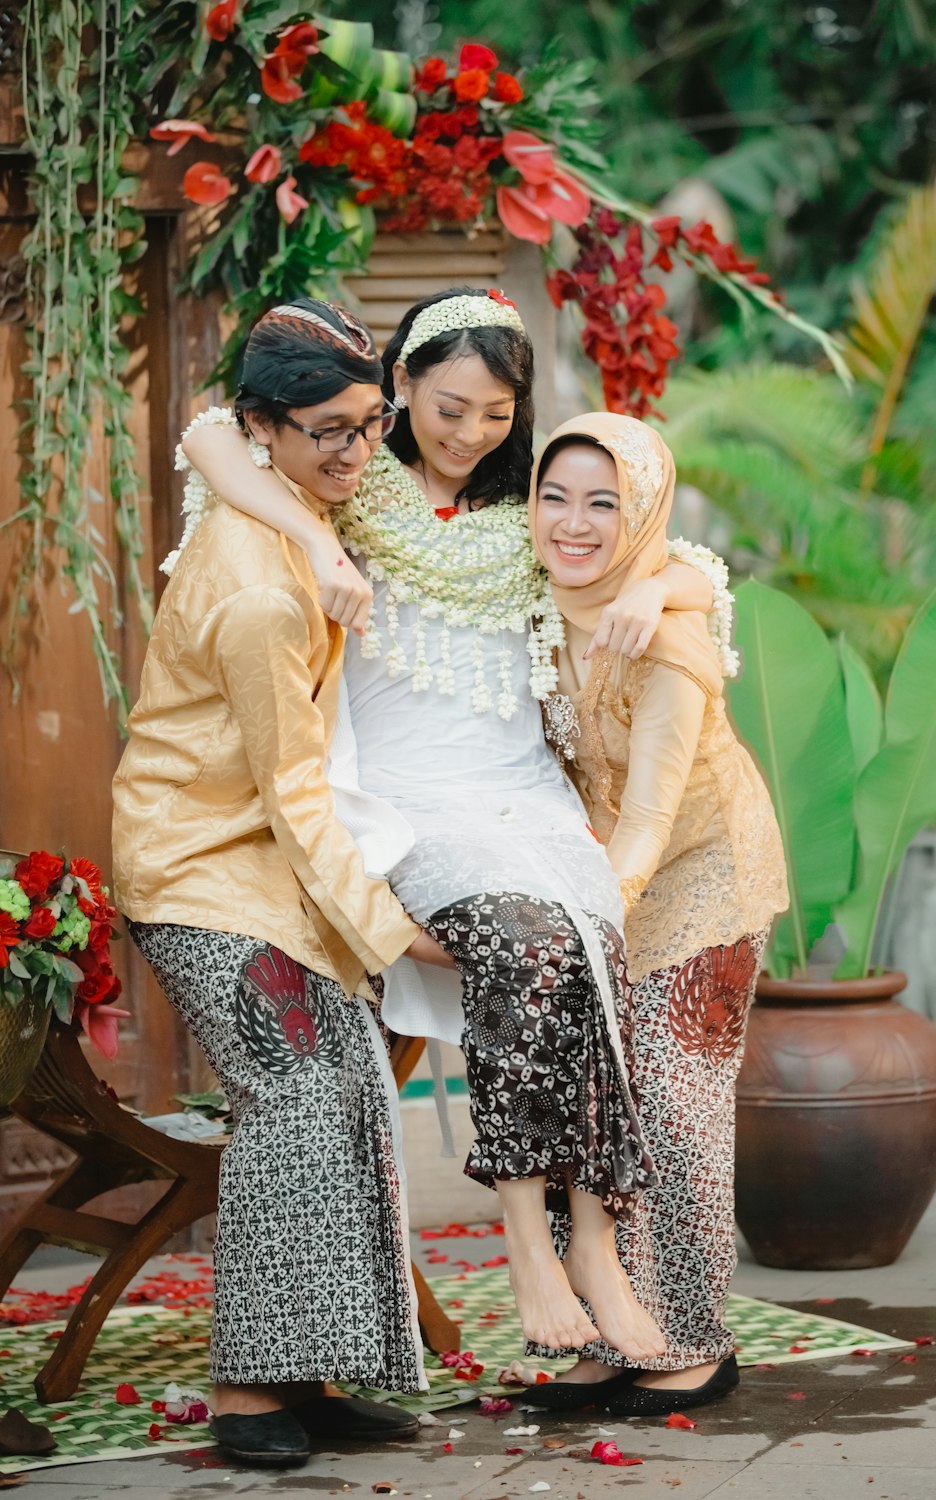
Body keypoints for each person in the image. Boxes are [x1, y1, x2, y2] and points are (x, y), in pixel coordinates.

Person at [177, 287, 718, 1364]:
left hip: (525, 793)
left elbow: (679, 560)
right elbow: (206, 437)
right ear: (402, 389)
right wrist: (318, 547)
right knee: (523, 944)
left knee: (587, 952)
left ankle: (597, 1251)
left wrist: (657, 594)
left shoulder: (531, 515)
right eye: (448, 405)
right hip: (404, 803)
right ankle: (527, 1239)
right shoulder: (343, 488)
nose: (471, 431)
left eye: (495, 412)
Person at [112, 300, 455, 1470]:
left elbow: (214, 434)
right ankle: (250, 1393)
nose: (358, 454)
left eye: (371, 426)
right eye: (329, 433)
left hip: (264, 866)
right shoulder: (262, 587)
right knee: (298, 1094)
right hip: (201, 870)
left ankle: (312, 1374)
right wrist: (389, 929)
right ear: (266, 428)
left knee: (352, 1088)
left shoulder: (292, 507)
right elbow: (293, 791)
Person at [524, 412, 788, 1415]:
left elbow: (646, 825)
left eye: (606, 503)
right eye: (555, 496)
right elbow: (699, 567)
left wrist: (588, 924)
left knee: (672, 1099)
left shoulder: (670, 645)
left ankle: (688, 1339)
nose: (574, 522)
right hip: (600, 877)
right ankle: (601, 1329)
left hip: (703, 878)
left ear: (641, 516)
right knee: (582, 1098)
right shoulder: (537, 603)